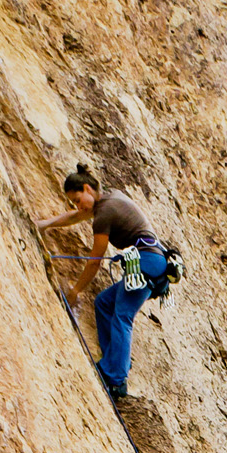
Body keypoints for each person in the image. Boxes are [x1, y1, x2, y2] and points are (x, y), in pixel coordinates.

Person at [36, 163, 166, 399]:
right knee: (104, 303)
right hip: (152, 261)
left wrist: (75, 290)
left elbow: (95, 261)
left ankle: (116, 378)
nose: (77, 206)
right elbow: (77, 216)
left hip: (147, 262)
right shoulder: (110, 198)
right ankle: (113, 361)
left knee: (123, 315)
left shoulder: (105, 213)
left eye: (77, 199)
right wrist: (46, 224)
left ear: (87, 188)